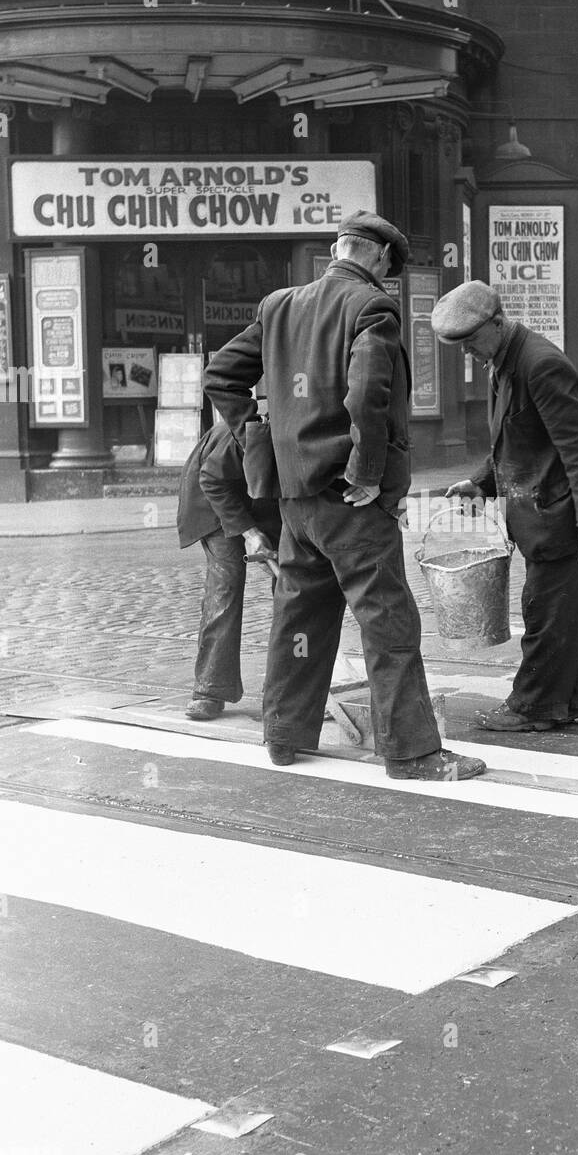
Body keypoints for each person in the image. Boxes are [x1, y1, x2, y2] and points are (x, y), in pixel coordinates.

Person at [203, 211, 486, 781]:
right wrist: (365, 471)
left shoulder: (278, 305)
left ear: (339, 248)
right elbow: (368, 395)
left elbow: (220, 374)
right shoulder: (372, 307)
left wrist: (261, 440)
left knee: (299, 617)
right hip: (348, 501)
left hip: (294, 502)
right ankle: (412, 753)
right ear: (380, 259)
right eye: (388, 266)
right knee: (388, 621)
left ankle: (284, 736)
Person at [434, 281, 578, 732]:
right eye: (458, 347)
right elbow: (514, 441)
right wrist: (480, 482)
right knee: (566, 609)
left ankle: (532, 707)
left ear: (497, 324)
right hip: (540, 510)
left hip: (564, 514)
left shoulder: (540, 365)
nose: (467, 354)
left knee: (544, 608)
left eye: (470, 343)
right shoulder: (501, 361)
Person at [176, 419, 280, 720]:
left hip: (262, 502)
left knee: (293, 585)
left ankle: (289, 690)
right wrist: (250, 534)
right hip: (213, 502)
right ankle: (210, 689)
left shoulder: (306, 432)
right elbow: (212, 481)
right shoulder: (248, 431)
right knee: (227, 583)